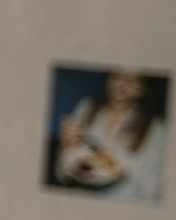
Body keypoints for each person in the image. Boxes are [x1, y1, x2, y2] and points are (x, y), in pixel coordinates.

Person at [53, 71, 168, 200]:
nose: (122, 86)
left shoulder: (157, 129)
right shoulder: (86, 107)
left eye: (134, 81)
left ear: (145, 87)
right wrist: (66, 147)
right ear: (107, 79)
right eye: (117, 76)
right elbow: (62, 176)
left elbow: (151, 190)